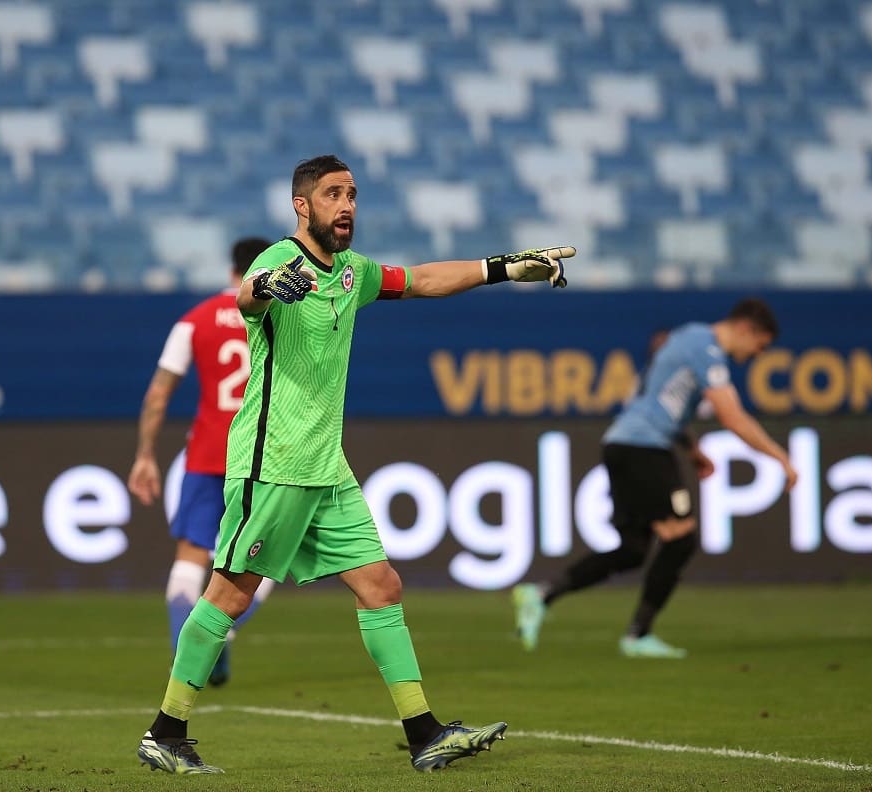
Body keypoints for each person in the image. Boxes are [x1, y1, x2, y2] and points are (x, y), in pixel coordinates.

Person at [135, 154, 574, 775]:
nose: (347, 206)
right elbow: (249, 297)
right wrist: (267, 287)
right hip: (275, 464)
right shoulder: (276, 264)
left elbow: (420, 280)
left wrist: (501, 268)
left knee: (381, 586)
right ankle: (165, 731)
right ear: (302, 205)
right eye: (333, 194)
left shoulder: (352, 273)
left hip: (326, 467)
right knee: (229, 595)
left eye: (353, 195)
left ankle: (424, 733)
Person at [512, 298, 798, 659]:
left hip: (623, 444)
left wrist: (691, 449)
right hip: (643, 449)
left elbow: (658, 400)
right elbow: (733, 417)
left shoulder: (686, 337)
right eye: (760, 346)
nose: (757, 354)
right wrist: (781, 457)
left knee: (633, 550)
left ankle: (540, 595)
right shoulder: (706, 350)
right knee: (680, 539)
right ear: (746, 329)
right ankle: (638, 636)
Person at [127, 237, 275, 687]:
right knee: (266, 560)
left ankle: (184, 663)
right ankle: (221, 633)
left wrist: (145, 456)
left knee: (190, 558)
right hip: (265, 457)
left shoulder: (194, 320)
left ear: (231, 271)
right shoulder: (282, 314)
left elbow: (158, 393)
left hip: (208, 453)